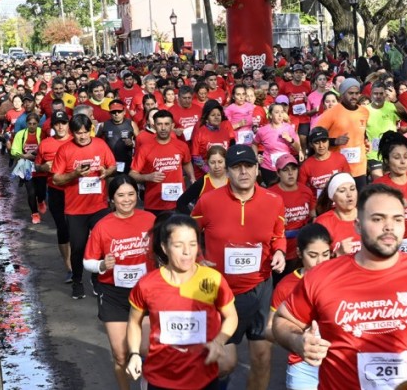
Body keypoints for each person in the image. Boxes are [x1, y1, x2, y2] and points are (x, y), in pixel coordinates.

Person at [272, 183, 407, 389]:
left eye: (397, 219)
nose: (389, 226)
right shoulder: (322, 276)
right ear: (357, 225)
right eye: (378, 219)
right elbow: (282, 321)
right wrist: (298, 342)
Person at [190, 144, 287, 390]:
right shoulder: (208, 201)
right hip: (221, 292)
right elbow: (187, 235)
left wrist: (280, 251)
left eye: (249, 166)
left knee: (263, 357)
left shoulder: (274, 201)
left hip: (260, 288)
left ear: (257, 169)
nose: (243, 172)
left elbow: (278, 234)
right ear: (227, 171)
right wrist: (199, 259)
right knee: (225, 363)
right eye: (236, 167)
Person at [126, 214, 238, 390]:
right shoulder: (147, 284)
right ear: (164, 247)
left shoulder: (213, 279)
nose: (187, 252)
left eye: (193, 244)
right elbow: (134, 321)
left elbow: (231, 316)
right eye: (178, 245)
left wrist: (219, 341)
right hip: (160, 378)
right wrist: (133, 353)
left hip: (204, 378)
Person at [83, 175, 155, 390]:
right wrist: (102, 266)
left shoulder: (150, 219)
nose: (126, 200)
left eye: (131, 194)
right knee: (121, 354)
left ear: (137, 194)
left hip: (145, 293)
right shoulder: (102, 226)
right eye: (121, 195)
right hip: (114, 295)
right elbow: (88, 262)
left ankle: (147, 385)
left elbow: (165, 248)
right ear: (112, 199)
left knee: (146, 349)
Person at [53, 114, 117, 299]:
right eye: (78, 133)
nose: (82, 136)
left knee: (103, 246)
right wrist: (74, 174)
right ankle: (77, 281)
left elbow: (112, 166)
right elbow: (56, 178)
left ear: (90, 130)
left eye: (85, 132)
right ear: (72, 133)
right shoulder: (65, 149)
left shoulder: (100, 144)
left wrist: (107, 171)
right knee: (79, 248)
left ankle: (98, 279)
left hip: (99, 206)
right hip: (76, 210)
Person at [265, 224, 331, 390]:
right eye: (313, 255)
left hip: (340, 361)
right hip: (303, 365)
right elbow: (269, 329)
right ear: (300, 254)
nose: (320, 261)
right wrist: (298, 336)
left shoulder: (341, 279)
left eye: (325, 254)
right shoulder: (287, 286)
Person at [129, 110, 194, 216]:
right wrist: (147, 177)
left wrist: (192, 177)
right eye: (159, 124)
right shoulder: (145, 149)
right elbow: (132, 174)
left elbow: (186, 162)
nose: (163, 128)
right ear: (154, 125)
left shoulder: (182, 146)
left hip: (178, 201)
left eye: (167, 124)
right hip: (154, 204)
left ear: (172, 125)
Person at [35, 110, 74, 282]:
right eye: (57, 123)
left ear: (68, 124)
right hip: (55, 190)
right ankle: (69, 268)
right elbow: (37, 166)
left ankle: (80, 261)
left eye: (63, 123)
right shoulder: (45, 144)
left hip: (75, 191)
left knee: (77, 229)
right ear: (52, 126)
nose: (60, 126)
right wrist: (44, 167)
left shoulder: (76, 141)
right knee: (62, 228)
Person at [266, 153, 317, 274]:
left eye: (294, 169)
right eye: (285, 170)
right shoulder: (269, 194)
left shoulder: (306, 191)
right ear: (278, 173)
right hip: (278, 249)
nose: (290, 173)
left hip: (300, 248)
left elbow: (312, 215)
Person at [314, 78, 370, 188]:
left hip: (359, 166)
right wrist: (335, 141)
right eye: (350, 93)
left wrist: (366, 140)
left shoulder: (364, 112)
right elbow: (315, 137)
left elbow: (361, 131)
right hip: (338, 166)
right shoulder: (331, 113)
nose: (354, 96)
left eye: (356, 93)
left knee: (361, 200)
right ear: (342, 94)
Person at [253, 102, 302, 186]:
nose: (280, 115)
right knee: (272, 192)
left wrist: (290, 139)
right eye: (276, 112)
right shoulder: (262, 130)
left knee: (286, 191)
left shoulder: (289, 128)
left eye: (282, 112)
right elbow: (254, 143)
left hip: (286, 168)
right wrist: (256, 156)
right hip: (268, 167)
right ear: (270, 116)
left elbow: (298, 149)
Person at [10, 113, 45, 223]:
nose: (32, 126)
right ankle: (34, 214)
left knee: (41, 191)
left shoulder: (42, 133)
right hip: (26, 166)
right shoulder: (20, 134)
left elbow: (46, 147)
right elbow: (14, 150)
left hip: (39, 165)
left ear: (38, 124)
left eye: (34, 124)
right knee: (31, 192)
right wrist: (23, 156)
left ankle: (40, 200)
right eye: (29, 123)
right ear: (26, 124)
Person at [298, 126, 351, 198]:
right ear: (311, 144)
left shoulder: (340, 158)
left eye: (324, 141)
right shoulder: (306, 166)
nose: (321, 146)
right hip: (318, 206)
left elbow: (349, 182)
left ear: (328, 141)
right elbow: (301, 191)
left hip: (339, 204)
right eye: (317, 142)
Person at [176, 145, 229, 215]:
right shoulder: (202, 182)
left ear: (226, 162)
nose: (217, 166)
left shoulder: (233, 181)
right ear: (207, 163)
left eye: (220, 162)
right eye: (212, 162)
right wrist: (192, 221)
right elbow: (181, 202)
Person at [190, 100, 235, 181]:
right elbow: (195, 156)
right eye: (213, 115)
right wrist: (209, 171)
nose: (216, 117)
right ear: (207, 117)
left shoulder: (225, 131)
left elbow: (229, 153)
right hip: (203, 176)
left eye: (219, 115)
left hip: (222, 175)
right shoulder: (200, 132)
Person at [365, 82, 400, 177]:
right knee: (379, 182)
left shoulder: (391, 107)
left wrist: (395, 100)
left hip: (391, 152)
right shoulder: (364, 110)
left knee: (392, 183)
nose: (378, 96)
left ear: (385, 94)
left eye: (381, 94)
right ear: (371, 94)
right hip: (374, 154)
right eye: (376, 94)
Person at [97, 100, 138, 175]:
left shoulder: (131, 124)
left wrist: (132, 143)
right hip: (110, 163)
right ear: (110, 113)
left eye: (119, 111)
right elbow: (96, 141)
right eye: (113, 112)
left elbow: (139, 141)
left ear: (124, 112)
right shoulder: (104, 125)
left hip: (127, 161)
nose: (116, 114)